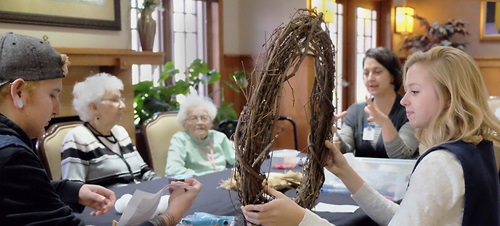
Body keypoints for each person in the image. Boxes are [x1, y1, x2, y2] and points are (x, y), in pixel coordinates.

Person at [241, 46, 500, 225]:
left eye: (415, 92)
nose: (406, 100)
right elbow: (403, 218)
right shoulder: (478, 148)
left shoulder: (441, 163)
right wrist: (345, 172)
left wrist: (300, 219)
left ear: (448, 98)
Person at [0, 32, 202, 226]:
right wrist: (171, 215)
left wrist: (72, 191)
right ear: (18, 92)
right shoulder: (13, 158)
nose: (57, 109)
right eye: (52, 94)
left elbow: (29, 191)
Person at [61, 73, 160, 188]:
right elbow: (74, 190)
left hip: (138, 200)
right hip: (108, 204)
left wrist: (164, 186)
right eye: (114, 100)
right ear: (94, 107)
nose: (122, 105)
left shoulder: (121, 132)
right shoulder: (77, 138)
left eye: (121, 99)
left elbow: (144, 172)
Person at [336, 47, 419, 159]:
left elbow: (402, 155)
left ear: (392, 76)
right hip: (360, 176)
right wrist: (332, 133)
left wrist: (385, 123)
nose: (370, 78)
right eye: (366, 73)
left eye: (377, 72)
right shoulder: (355, 111)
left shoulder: (409, 110)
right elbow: (344, 150)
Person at [165, 94, 235, 177]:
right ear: (185, 123)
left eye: (204, 118)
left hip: (223, 181)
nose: (200, 123)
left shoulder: (219, 137)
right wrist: (200, 176)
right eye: (193, 118)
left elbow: (238, 159)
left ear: (210, 123)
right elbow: (172, 170)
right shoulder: (180, 139)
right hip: (196, 183)